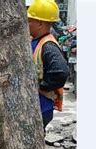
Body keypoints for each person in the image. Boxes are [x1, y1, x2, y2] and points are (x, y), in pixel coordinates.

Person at [28, 0, 69, 129]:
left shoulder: (48, 45)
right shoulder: (37, 41)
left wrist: (42, 86)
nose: (27, 24)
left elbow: (61, 72)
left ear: (40, 23)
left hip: (42, 106)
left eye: (30, 21)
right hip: (38, 105)